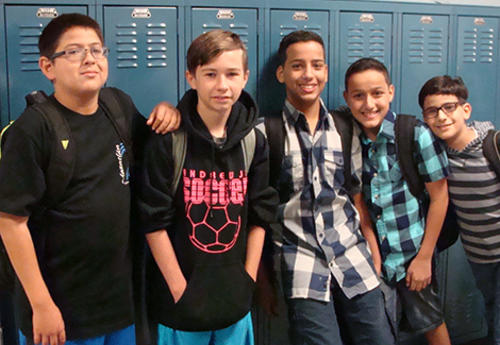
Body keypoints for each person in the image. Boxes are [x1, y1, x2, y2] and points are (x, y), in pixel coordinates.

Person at [0, 13, 179, 345]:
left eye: (97, 50)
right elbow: (10, 222)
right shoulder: (32, 129)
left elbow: (156, 147)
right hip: (61, 314)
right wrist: (41, 305)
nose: (90, 59)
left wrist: (170, 110)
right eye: (73, 51)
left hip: (118, 308)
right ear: (47, 67)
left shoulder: (118, 106)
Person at [137, 29, 278, 345]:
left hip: (234, 307)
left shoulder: (254, 141)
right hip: (181, 311)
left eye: (231, 74)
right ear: (191, 77)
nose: (222, 85)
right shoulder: (169, 140)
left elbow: (259, 214)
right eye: (210, 74)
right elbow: (153, 221)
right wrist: (179, 291)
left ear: (245, 77)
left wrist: (248, 279)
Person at [258, 30, 395, 345]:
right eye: (297, 66)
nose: (309, 74)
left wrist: (373, 253)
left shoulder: (346, 127)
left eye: (317, 65)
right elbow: (257, 214)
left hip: (353, 256)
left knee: (379, 339)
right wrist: (263, 281)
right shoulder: (266, 133)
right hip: (301, 263)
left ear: (326, 72)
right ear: (281, 73)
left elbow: (357, 199)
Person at [343, 57, 451, 344]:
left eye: (377, 93)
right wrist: (373, 256)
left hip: (413, 254)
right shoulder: (350, 140)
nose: (369, 104)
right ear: (347, 99)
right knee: (381, 332)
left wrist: (425, 257)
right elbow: (360, 202)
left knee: (431, 322)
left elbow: (440, 198)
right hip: (374, 260)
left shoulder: (414, 133)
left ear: (390, 92)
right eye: (358, 96)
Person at [419, 75, 500, 345]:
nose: (441, 116)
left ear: (466, 110)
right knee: (491, 315)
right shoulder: (437, 155)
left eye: (449, 107)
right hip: (480, 257)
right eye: (432, 111)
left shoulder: (494, 145)